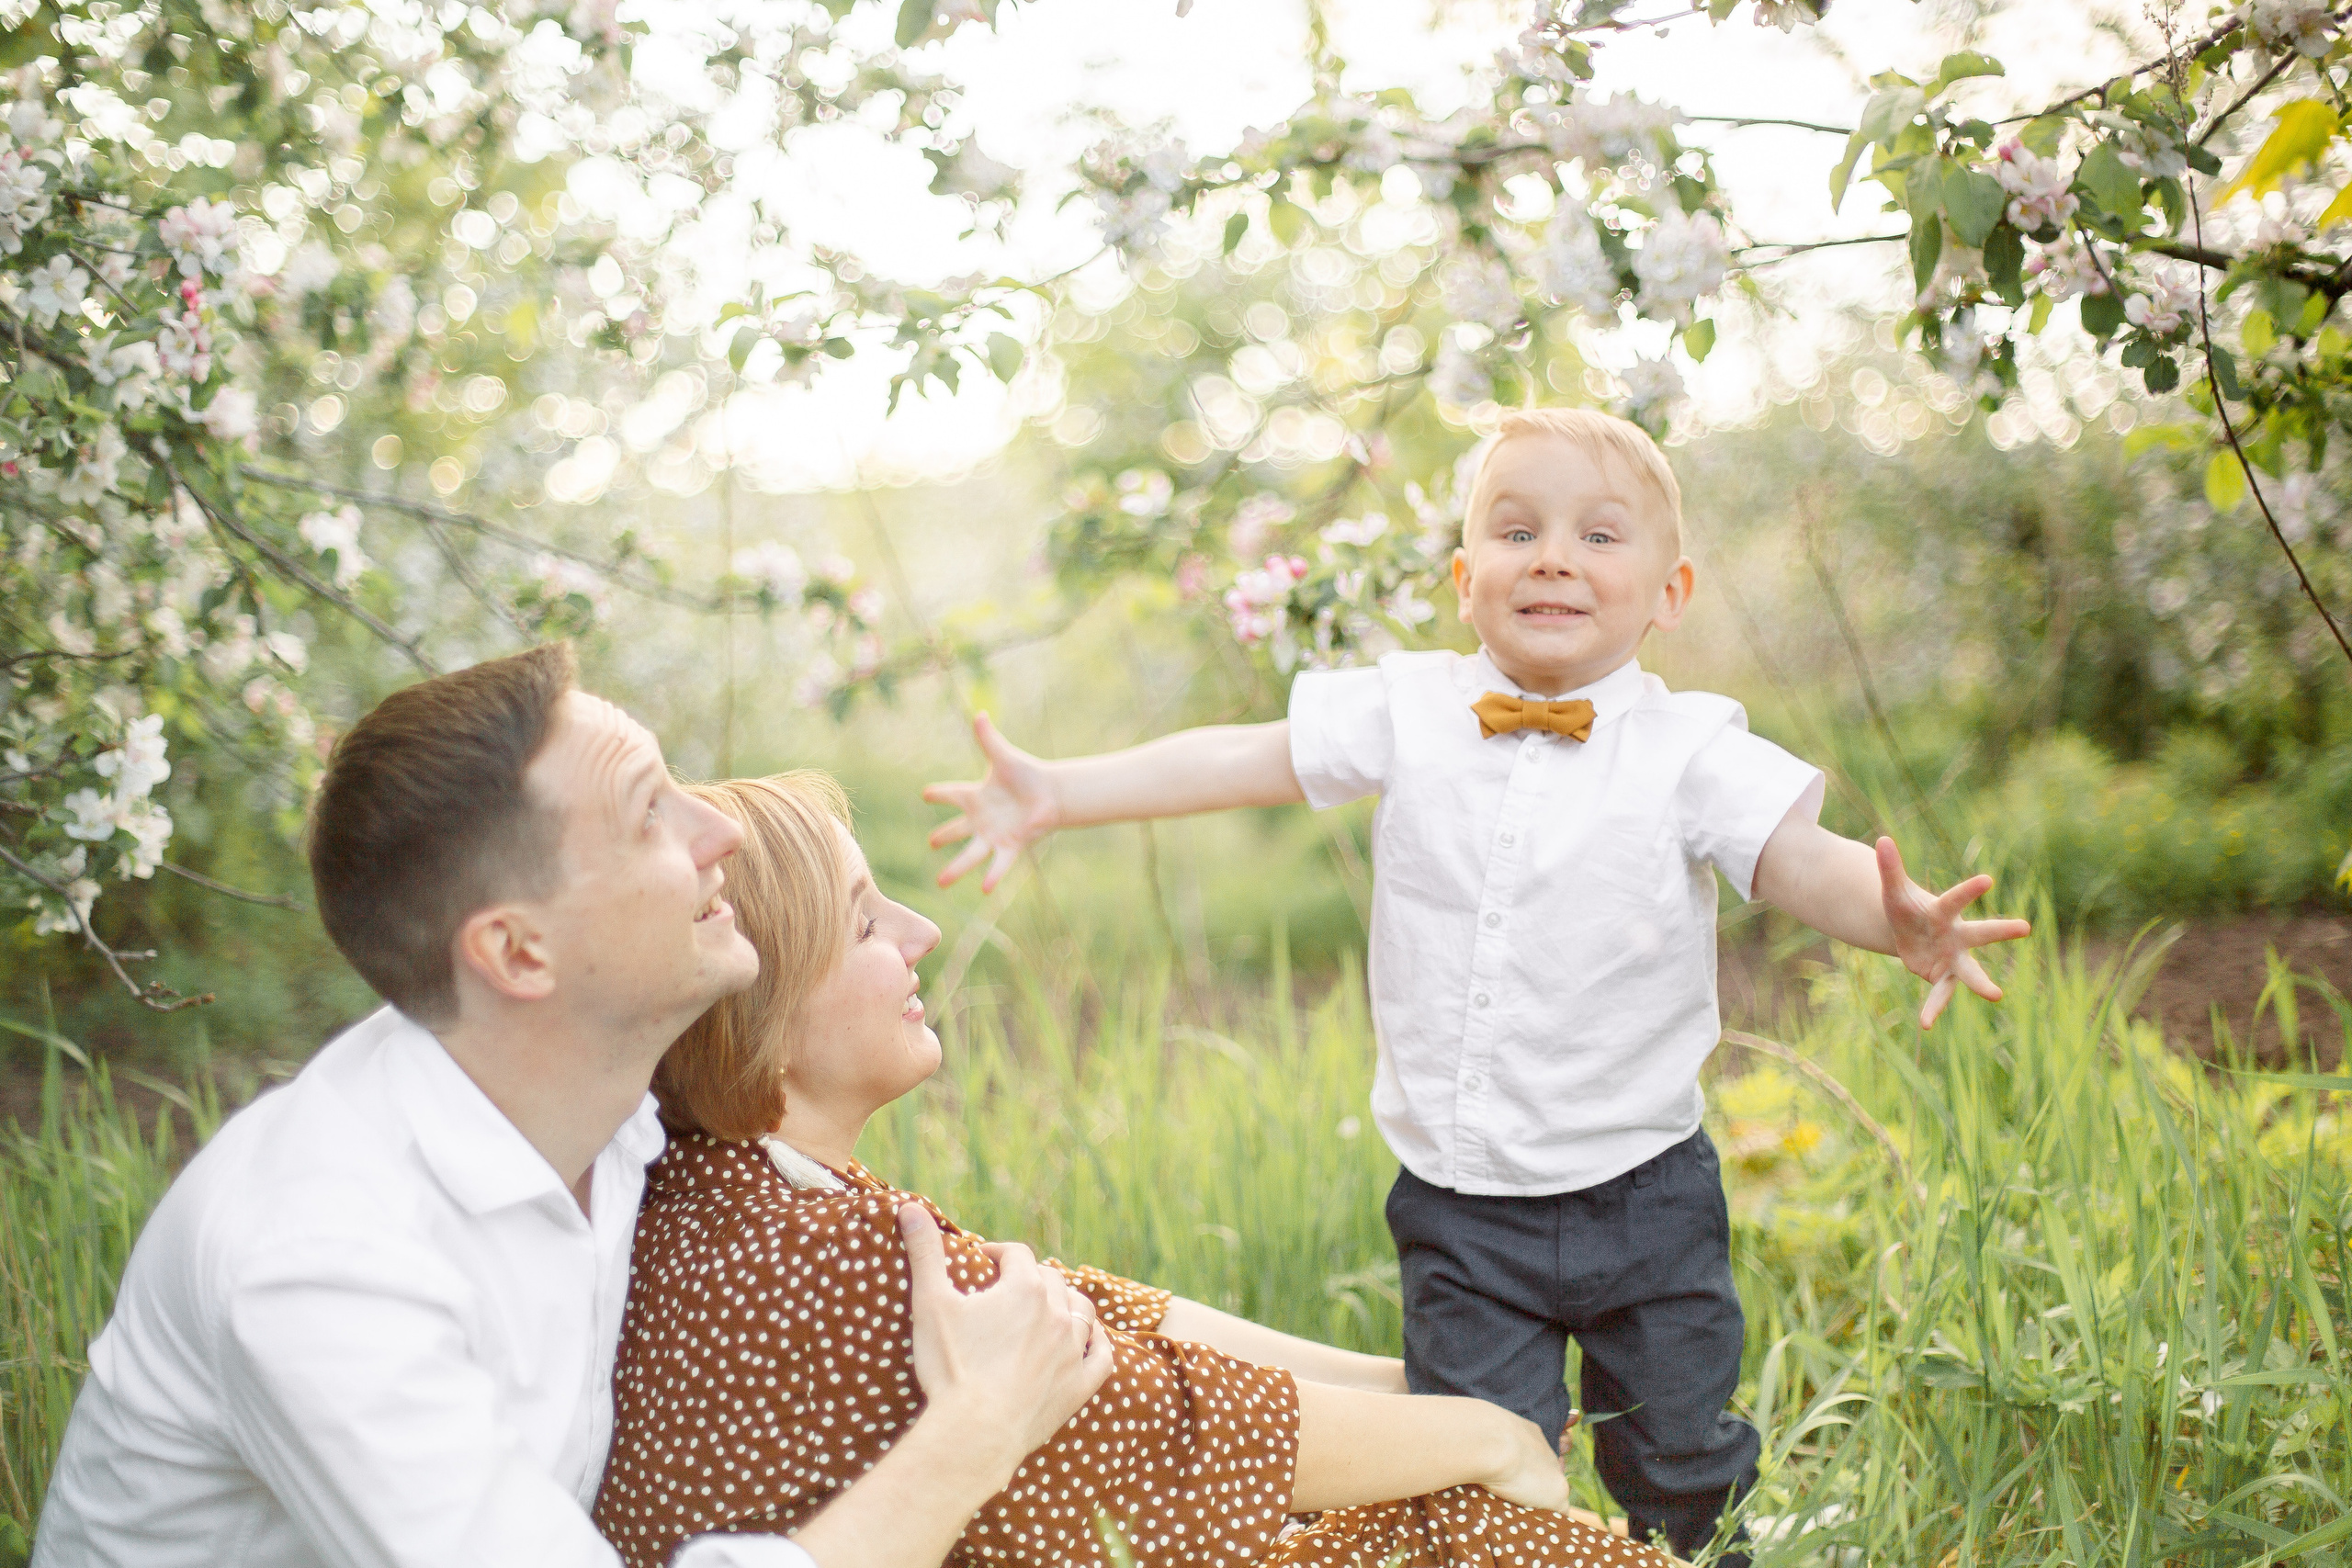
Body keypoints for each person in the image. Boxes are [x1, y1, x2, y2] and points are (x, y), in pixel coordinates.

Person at [920, 406, 2033, 1561]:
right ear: (1465, 581)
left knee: (1679, 1456)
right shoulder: (1407, 708)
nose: (1551, 557)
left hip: (1646, 1194)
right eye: (1516, 531)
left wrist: (1893, 919)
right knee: (1477, 1465)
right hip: (1460, 1203)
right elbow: (1242, 757)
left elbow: (1797, 858)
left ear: (1669, 593)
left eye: (1598, 535)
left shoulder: (1692, 749)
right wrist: (1062, 791)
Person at [34, 644, 1114, 1568]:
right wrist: (975, 1429)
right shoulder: (318, 1260)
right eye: (650, 813)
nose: (720, 832)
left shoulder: (606, 1108)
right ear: (518, 953)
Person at [595, 771, 1674, 1568]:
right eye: (866, 921)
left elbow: (1105, 1315)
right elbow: (1177, 1425)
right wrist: (1489, 1435)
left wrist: (1433, 1384)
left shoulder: (726, 1200)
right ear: (760, 1010)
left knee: (1433, 1494)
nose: (920, 933)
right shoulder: (821, 1257)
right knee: (1468, 1525)